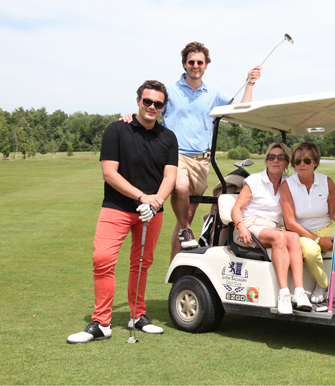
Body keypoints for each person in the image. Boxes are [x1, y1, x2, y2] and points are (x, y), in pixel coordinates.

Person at [122, 42, 261, 259]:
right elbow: (151, 109)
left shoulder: (214, 93)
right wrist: (131, 117)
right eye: (191, 62)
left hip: (202, 161)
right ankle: (188, 230)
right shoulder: (171, 90)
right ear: (184, 64)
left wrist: (250, 83)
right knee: (180, 184)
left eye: (200, 62)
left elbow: (242, 110)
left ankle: (177, 274)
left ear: (206, 65)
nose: (195, 65)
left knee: (184, 217)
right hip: (174, 155)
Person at [67, 81, 178, 344]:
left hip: (151, 212)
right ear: (138, 100)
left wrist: (156, 202)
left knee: (141, 264)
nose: (152, 107)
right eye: (147, 101)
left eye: (158, 104)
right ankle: (101, 323)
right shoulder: (116, 129)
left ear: (163, 107)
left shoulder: (168, 137)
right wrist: (141, 196)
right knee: (102, 259)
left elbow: (170, 175)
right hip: (117, 207)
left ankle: (138, 316)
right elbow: (109, 173)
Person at [230, 143, 312, 315]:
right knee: (281, 238)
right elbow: (236, 209)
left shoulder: (288, 183)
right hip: (249, 226)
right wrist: (241, 227)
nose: (276, 160)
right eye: (271, 157)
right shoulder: (254, 180)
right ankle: (284, 294)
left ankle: (299, 292)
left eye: (281, 157)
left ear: (287, 163)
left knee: (294, 238)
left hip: (272, 228)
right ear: (266, 161)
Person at [280, 142, 335, 304]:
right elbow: (290, 224)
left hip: (326, 228)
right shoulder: (287, 185)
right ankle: (323, 284)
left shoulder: (326, 181)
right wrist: (318, 240)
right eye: (297, 161)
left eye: (307, 161)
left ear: (315, 162)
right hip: (302, 233)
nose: (302, 165)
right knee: (310, 249)